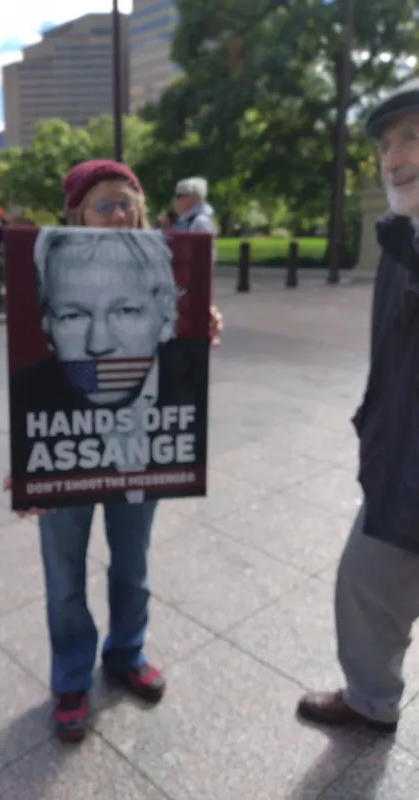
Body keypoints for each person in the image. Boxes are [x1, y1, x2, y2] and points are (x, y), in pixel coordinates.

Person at [5, 159, 222, 743]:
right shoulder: (45, 301)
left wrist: (204, 326)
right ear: (75, 213)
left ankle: (125, 653)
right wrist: (27, 465)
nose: (120, 214)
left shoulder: (166, 285)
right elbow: (28, 389)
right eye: (105, 203)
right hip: (62, 460)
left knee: (134, 563)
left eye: (128, 202)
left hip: (145, 455)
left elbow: (184, 344)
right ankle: (72, 676)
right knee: (64, 573)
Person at [297, 77, 419, 735]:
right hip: (401, 465)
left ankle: (371, 699)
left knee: (367, 579)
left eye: (414, 138)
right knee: (366, 582)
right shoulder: (402, 240)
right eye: (387, 145)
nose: (394, 157)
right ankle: (371, 698)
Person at [9, 226, 208, 503]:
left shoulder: (194, 376)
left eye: (125, 311)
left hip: (142, 501)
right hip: (63, 504)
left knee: (134, 545)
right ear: (47, 326)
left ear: (165, 315)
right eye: (73, 315)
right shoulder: (28, 394)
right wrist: (25, 476)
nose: (98, 343)